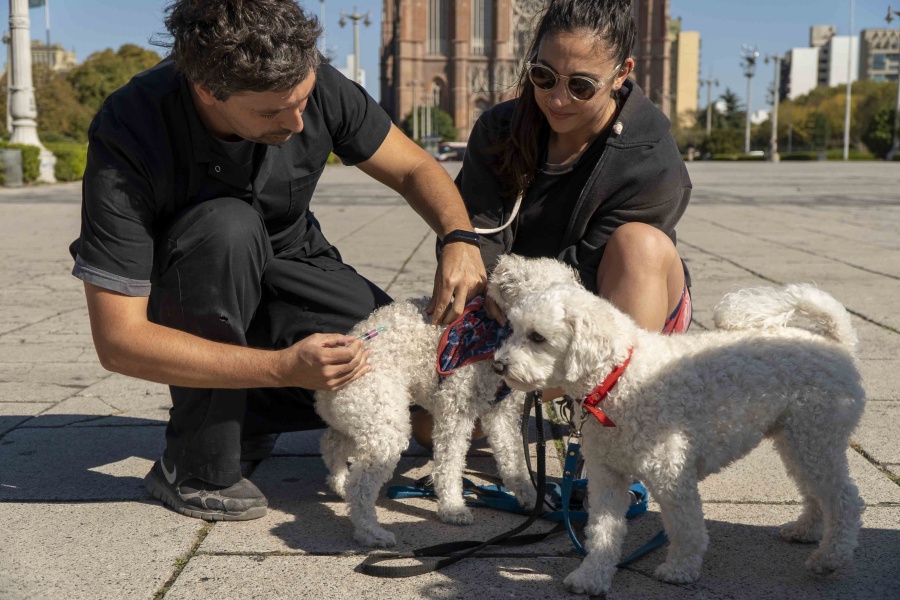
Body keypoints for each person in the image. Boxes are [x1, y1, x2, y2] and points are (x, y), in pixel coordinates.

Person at [70, 0, 485, 522]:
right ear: (206, 91)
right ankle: (195, 461)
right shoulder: (132, 126)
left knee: (416, 379)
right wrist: (282, 368)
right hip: (196, 284)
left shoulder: (307, 82)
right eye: (270, 113)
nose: (296, 122)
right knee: (227, 225)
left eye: (303, 101)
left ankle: (245, 411)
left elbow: (414, 168)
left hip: (293, 261)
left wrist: (459, 238)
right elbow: (119, 341)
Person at [411, 0, 691, 446]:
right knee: (432, 431)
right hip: (518, 312)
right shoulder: (499, 129)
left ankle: (623, 418)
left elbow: (588, 272)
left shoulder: (650, 153)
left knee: (641, 244)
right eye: (543, 77)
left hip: (613, 302)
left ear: (621, 74)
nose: (558, 100)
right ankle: (552, 394)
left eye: (581, 86)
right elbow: (478, 239)